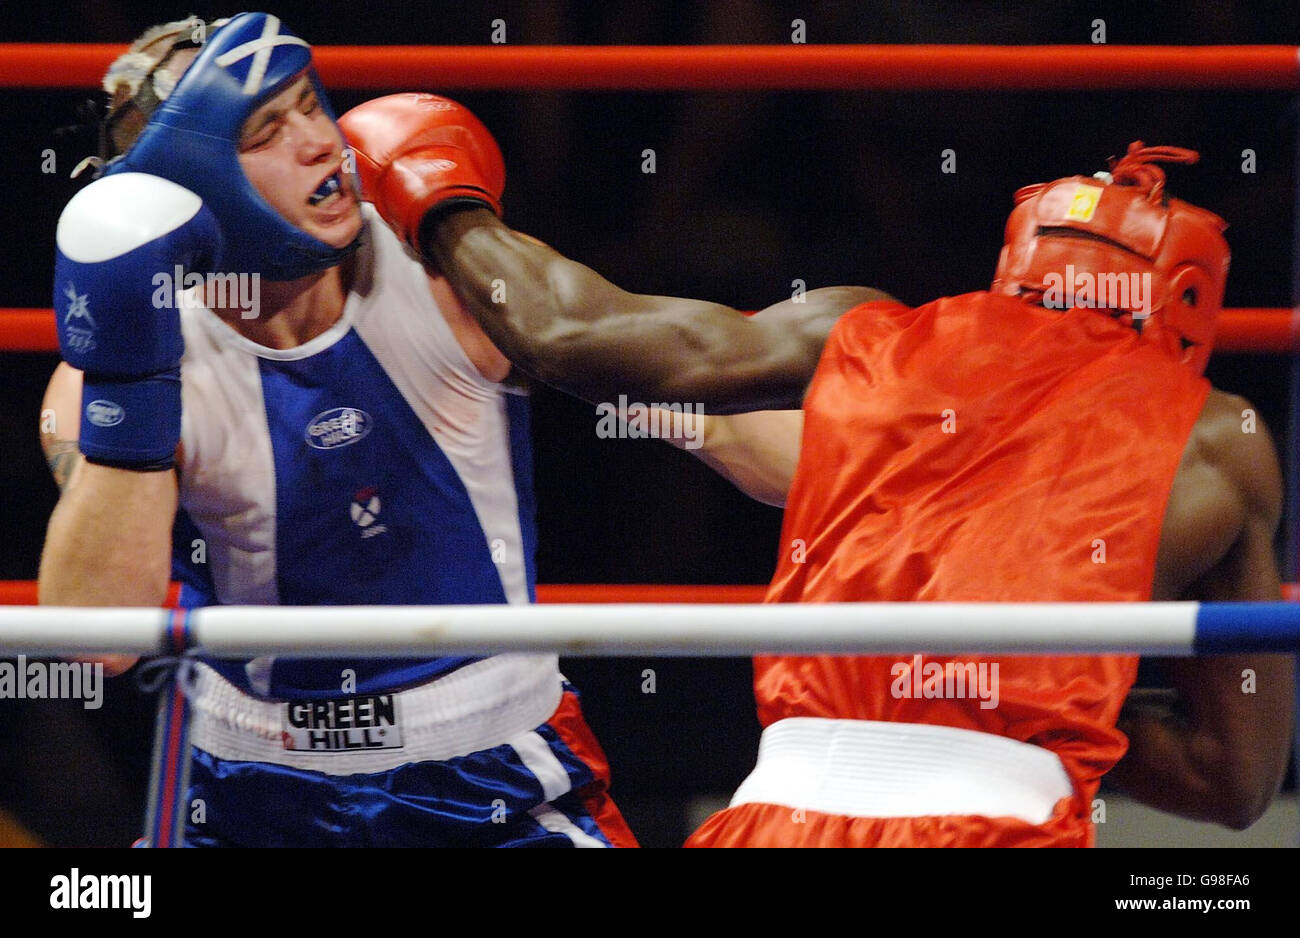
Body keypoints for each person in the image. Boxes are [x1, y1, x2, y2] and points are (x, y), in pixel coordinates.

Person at [340, 95, 1295, 846]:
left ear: (1019, 258)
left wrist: (445, 207)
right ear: (1186, 302)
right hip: (1001, 815)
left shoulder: (875, 338)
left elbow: (569, 332)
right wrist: (1065, 688)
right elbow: (1235, 780)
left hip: (776, 808)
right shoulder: (1219, 440)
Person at [38, 13, 640, 848]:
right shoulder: (107, 384)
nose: (323, 142)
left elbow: (712, 422)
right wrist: (132, 385)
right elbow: (95, 641)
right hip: (243, 787)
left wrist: (872, 412)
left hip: (488, 773)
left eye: (309, 107)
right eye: (266, 132)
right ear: (187, 188)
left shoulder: (447, 280)